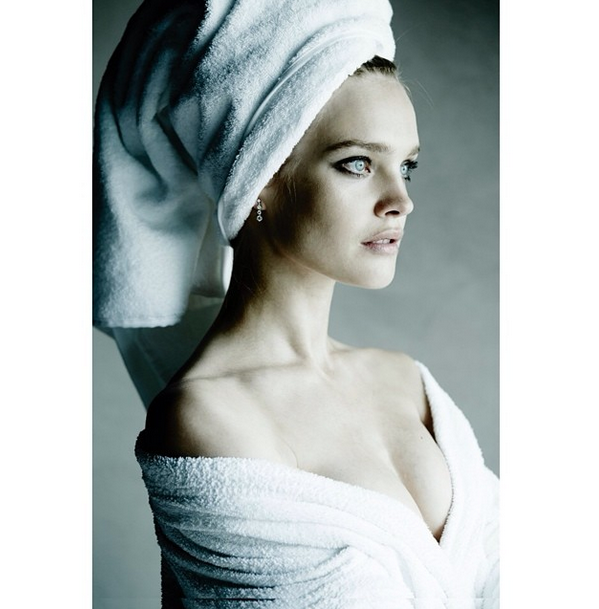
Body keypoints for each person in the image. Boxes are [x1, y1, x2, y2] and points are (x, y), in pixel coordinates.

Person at [93, 0, 499, 606]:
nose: (400, 199)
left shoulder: (407, 380)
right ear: (257, 178)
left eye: (407, 167)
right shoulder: (205, 419)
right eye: (357, 164)